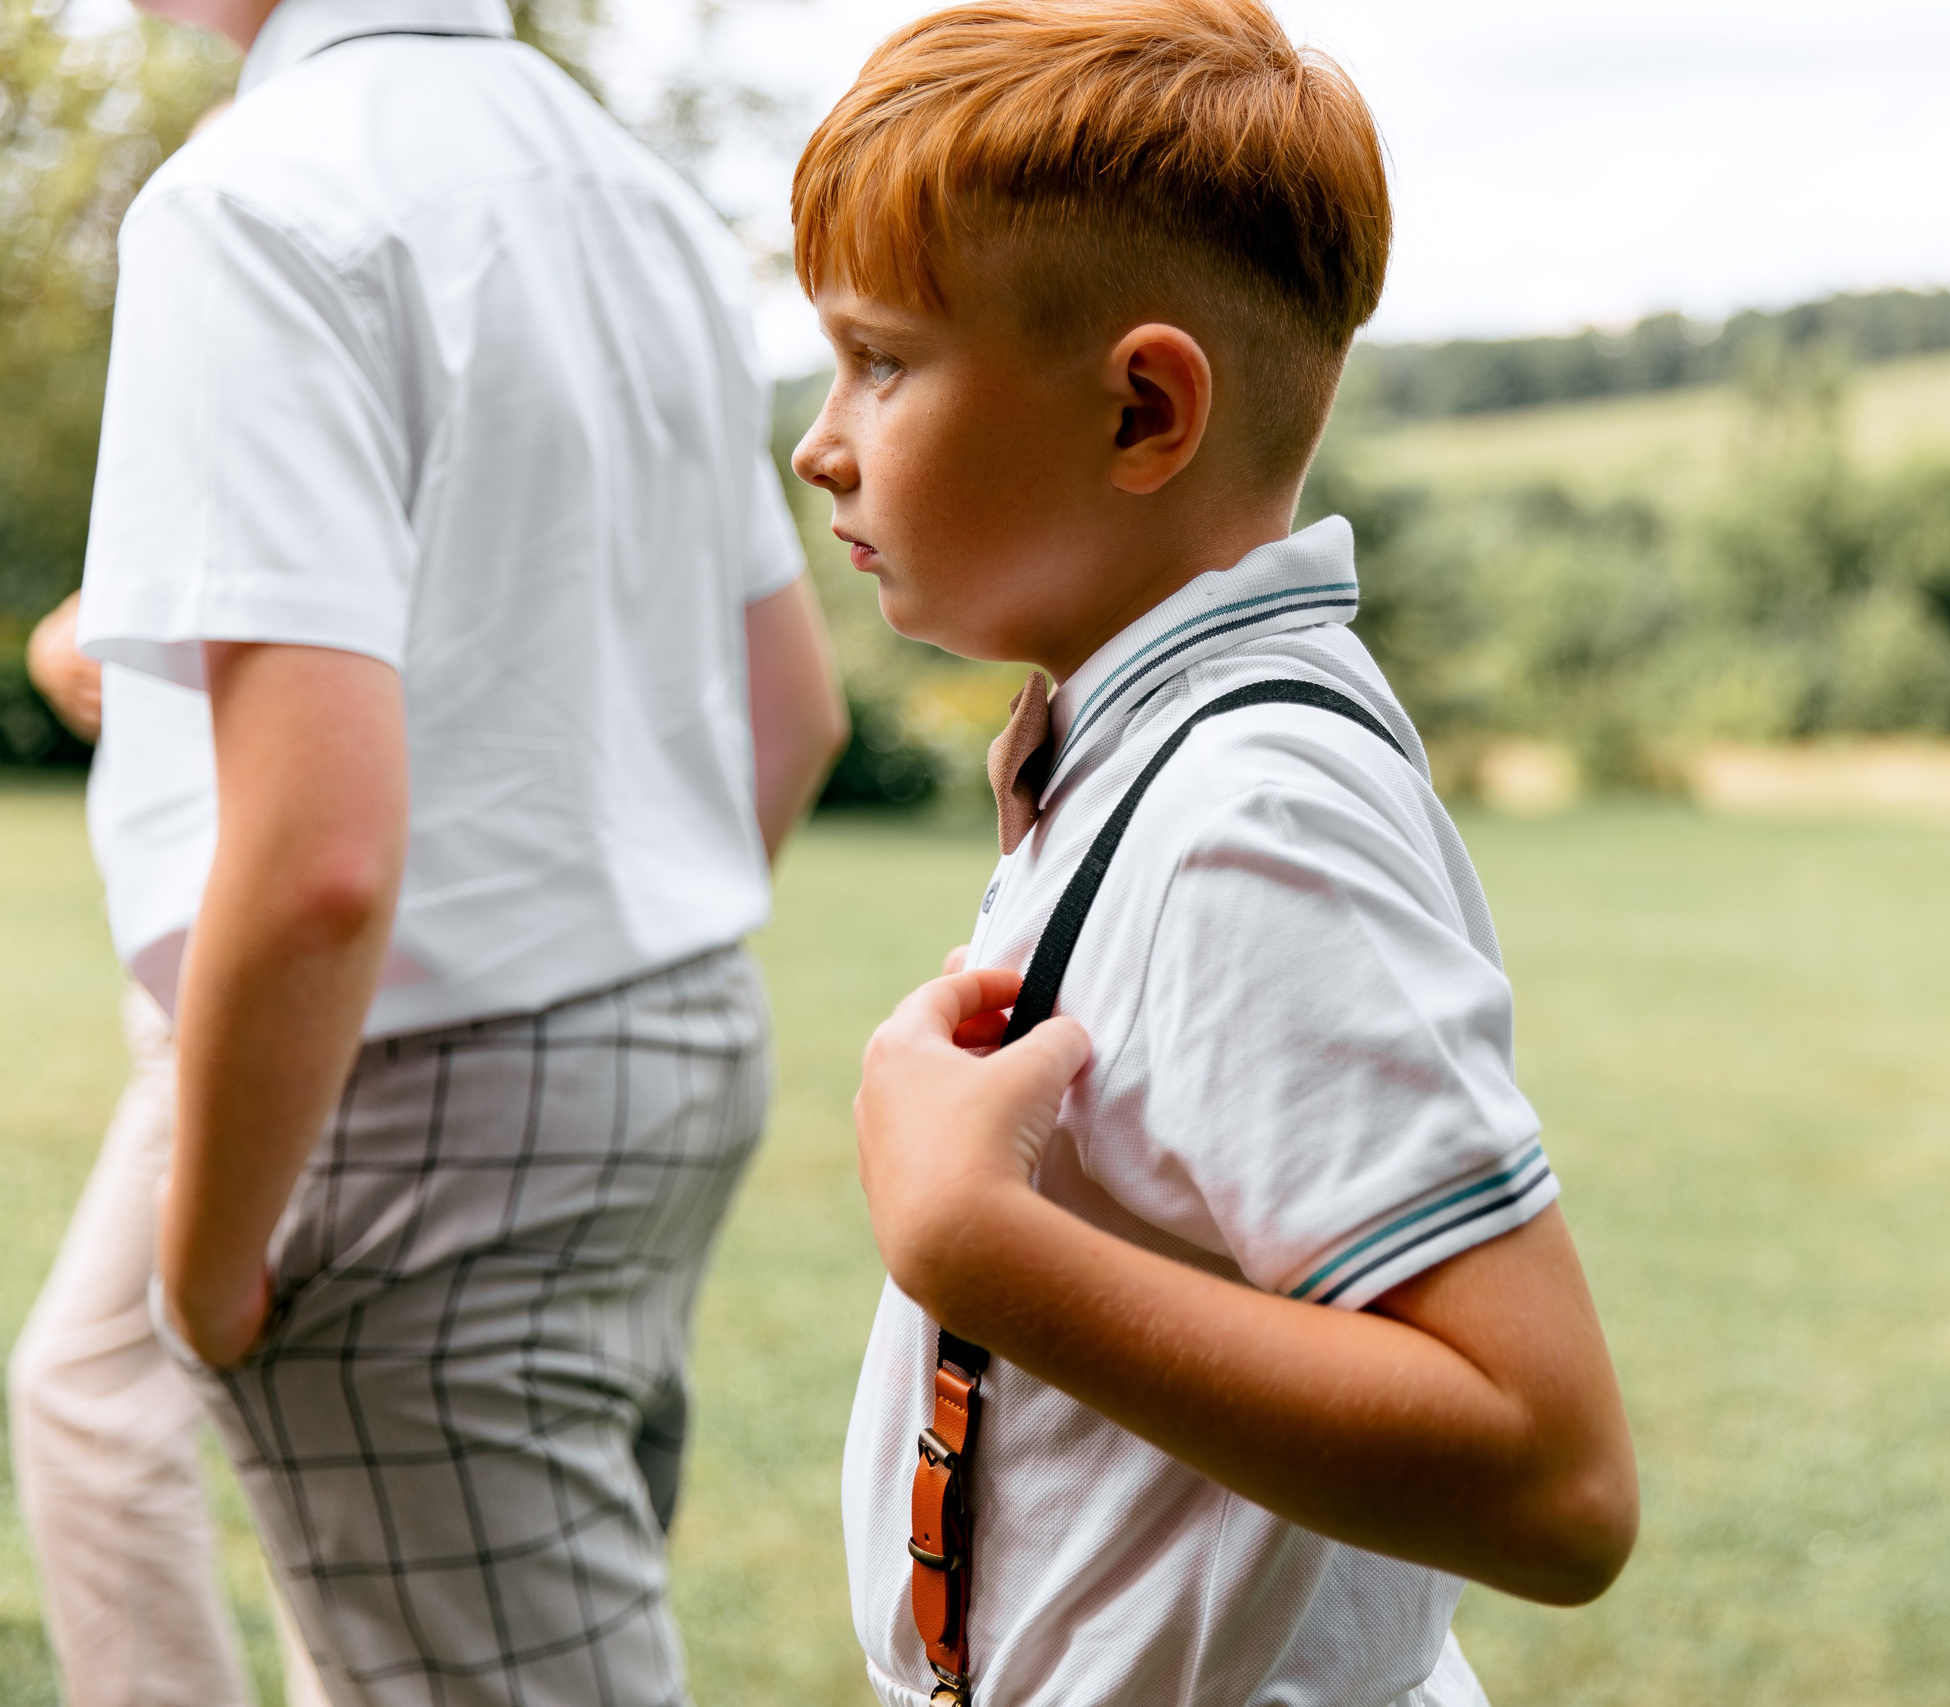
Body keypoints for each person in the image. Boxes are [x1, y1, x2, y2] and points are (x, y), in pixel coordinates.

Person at [788, 4, 1641, 1703]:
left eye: (882, 360)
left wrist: (975, 1245)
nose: (824, 438)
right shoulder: (1141, 751)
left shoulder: (1253, 816)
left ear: (1141, 412)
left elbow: (1551, 1479)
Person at [65, 0, 851, 1701]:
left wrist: (199, 1280)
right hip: (678, 1043)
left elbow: (325, 860)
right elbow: (792, 717)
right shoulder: (632, 192)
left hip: (411, 1106)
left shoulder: (249, 199)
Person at [13, 590, 329, 1707]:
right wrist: (78, 632)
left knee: (93, 1395)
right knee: (320, 1426)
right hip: (224, 989)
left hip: (267, 990)